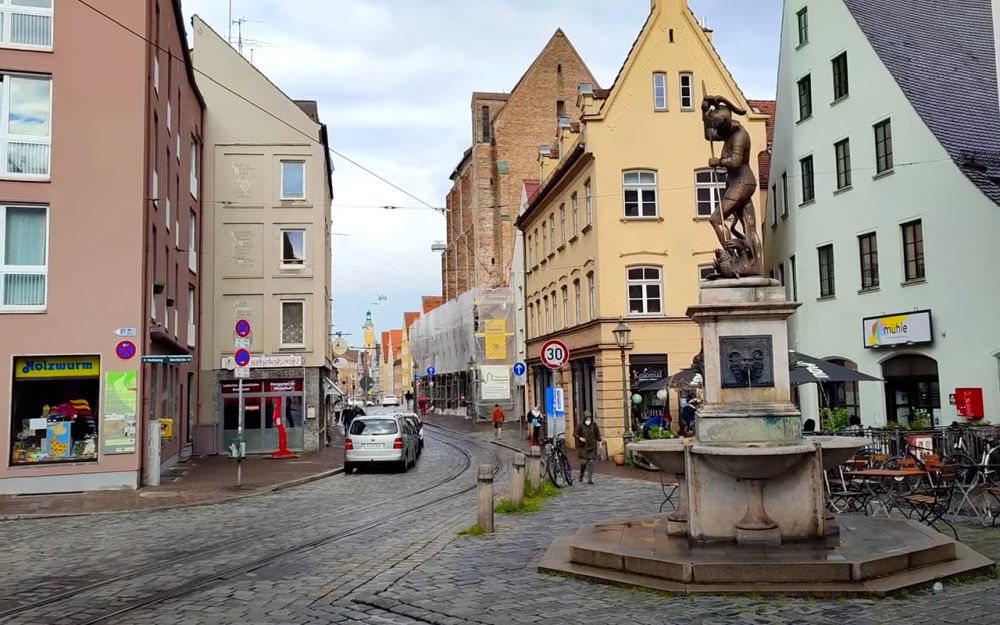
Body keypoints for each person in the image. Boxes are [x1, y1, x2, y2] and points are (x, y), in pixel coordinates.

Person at [577, 411, 601, 485]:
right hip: (583, 447)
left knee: (590, 462)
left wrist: (599, 442)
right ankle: (581, 474)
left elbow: (598, 434)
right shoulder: (580, 425)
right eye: (587, 419)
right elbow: (575, 433)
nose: (588, 420)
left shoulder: (594, 425)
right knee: (583, 462)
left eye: (589, 418)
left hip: (592, 447)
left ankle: (589, 478)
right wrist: (580, 437)